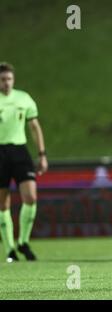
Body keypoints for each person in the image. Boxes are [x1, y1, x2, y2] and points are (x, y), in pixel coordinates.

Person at [0, 62, 48, 262]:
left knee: (31, 197)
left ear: (14, 79)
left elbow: (34, 127)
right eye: (2, 80)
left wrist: (42, 154)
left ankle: (24, 242)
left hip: (20, 151)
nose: (6, 83)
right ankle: (10, 249)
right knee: (3, 203)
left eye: (9, 79)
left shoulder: (24, 98)